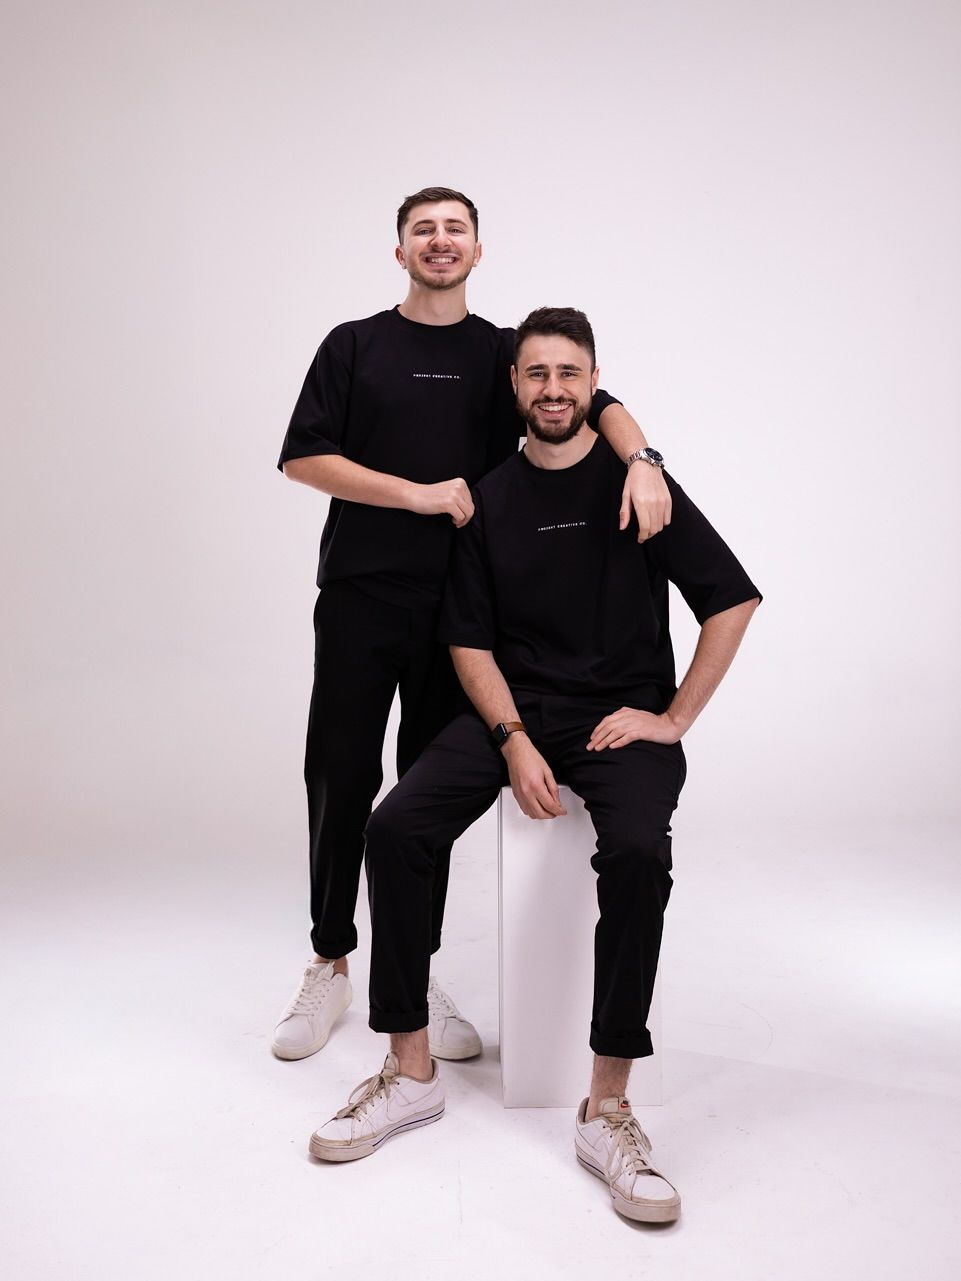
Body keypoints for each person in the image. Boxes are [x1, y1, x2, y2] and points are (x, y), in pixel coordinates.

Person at [308, 307, 761, 1225]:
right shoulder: (487, 496)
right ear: (512, 386)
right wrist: (511, 737)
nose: (552, 389)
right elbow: (467, 643)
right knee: (395, 826)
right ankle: (408, 1069)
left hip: (618, 722)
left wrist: (671, 718)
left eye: (570, 373)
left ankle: (607, 1104)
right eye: (534, 374)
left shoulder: (642, 490)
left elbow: (732, 599)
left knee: (637, 852)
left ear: (594, 383)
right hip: (515, 713)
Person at [273, 190, 671, 1062]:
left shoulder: (503, 353)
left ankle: (415, 971)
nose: (440, 241)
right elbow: (303, 456)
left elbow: (598, 401)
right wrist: (416, 494)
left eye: (455, 229)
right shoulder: (353, 345)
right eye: (424, 229)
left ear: (479, 250)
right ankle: (330, 957)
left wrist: (644, 460)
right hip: (359, 594)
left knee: (421, 788)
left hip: (461, 612)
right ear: (400, 250)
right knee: (341, 774)